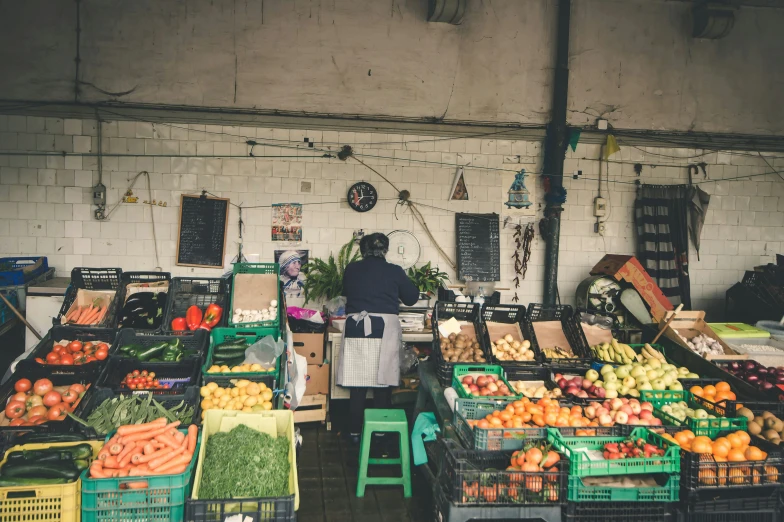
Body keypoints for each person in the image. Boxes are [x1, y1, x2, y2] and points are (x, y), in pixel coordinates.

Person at [337, 233, 419, 443]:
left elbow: (346, 291)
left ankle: (355, 433)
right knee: (383, 384)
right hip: (384, 331)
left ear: (363, 251)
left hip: (357, 328)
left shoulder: (352, 269)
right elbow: (411, 298)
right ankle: (380, 432)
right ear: (385, 250)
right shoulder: (395, 271)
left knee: (358, 385)